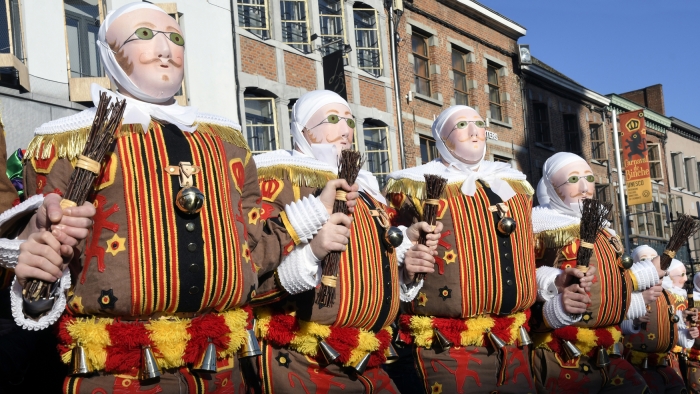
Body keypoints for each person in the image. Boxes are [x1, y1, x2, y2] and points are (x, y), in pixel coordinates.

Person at [6, 3, 348, 392]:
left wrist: (314, 215)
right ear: (110, 52)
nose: (166, 49)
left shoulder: (228, 143)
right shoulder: (66, 141)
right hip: (120, 370)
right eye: (146, 36)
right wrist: (34, 256)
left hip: (224, 367)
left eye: (176, 37)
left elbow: (251, 251)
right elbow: (50, 266)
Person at [249, 89, 441, 393]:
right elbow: (253, 274)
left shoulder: (367, 191)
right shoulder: (277, 180)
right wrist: (312, 251)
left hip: (369, 356)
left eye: (351, 122)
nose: (346, 131)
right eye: (333, 119)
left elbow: (372, 266)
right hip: (304, 360)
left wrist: (406, 264)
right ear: (304, 131)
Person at [386, 105, 536, 393]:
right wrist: (407, 252)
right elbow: (393, 244)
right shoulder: (413, 184)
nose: (474, 130)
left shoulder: (508, 182)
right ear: (441, 137)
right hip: (447, 343)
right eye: (462, 124)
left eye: (478, 123)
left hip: (514, 337)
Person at [530, 152, 658, 393]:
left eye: (589, 178)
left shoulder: (607, 233)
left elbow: (610, 288)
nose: (584, 187)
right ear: (550, 187)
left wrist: (644, 286)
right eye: (573, 179)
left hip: (609, 350)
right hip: (560, 352)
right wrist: (553, 286)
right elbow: (524, 277)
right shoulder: (539, 229)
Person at [622, 246, 688, 394]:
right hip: (638, 364)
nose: (652, 262)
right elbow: (616, 319)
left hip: (667, 363)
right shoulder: (629, 291)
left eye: (654, 257)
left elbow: (677, 329)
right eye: (645, 259)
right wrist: (634, 321)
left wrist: (687, 332)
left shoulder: (669, 295)